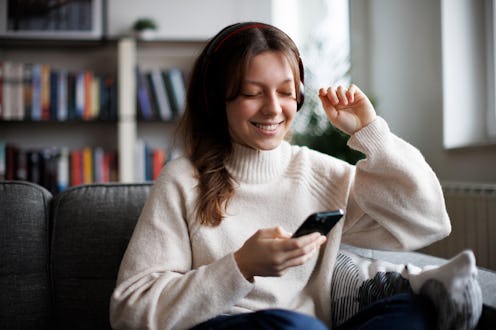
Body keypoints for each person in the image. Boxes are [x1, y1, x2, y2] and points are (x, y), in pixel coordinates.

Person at [109, 22, 452, 329]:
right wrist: (240, 266)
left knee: (417, 310)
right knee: (293, 326)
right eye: (252, 93)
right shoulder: (183, 180)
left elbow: (428, 223)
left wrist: (371, 133)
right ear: (216, 101)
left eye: (286, 92)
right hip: (227, 325)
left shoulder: (321, 174)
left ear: (300, 97)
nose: (273, 108)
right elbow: (129, 311)